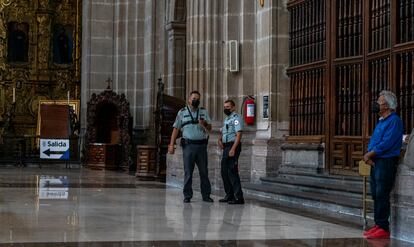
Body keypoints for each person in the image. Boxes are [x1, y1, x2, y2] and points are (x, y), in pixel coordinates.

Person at [363, 90, 403, 239]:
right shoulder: (381, 121)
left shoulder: (394, 120)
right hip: (377, 161)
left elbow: (386, 143)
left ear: (386, 105)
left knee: (382, 194)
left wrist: (369, 154)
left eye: (378, 101)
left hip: (386, 161)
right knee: (375, 193)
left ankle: (383, 227)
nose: (376, 104)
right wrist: (369, 154)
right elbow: (374, 140)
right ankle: (378, 224)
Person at [168, 91, 213, 203]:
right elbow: (176, 129)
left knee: (204, 171)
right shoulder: (182, 112)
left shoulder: (203, 112)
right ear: (189, 99)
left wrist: (204, 124)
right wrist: (171, 144)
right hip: (188, 146)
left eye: (197, 99)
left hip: (201, 146)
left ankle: (206, 195)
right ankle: (187, 195)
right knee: (188, 172)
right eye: (193, 98)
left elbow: (210, 129)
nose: (195, 100)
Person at [218, 100, 244, 204]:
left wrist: (233, 149)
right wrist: (220, 140)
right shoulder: (226, 119)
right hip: (226, 147)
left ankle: (239, 197)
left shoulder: (236, 118)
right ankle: (229, 195)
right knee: (224, 171)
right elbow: (224, 132)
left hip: (233, 146)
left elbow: (239, 135)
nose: (226, 109)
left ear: (233, 107)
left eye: (228, 107)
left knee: (232, 172)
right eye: (225, 107)